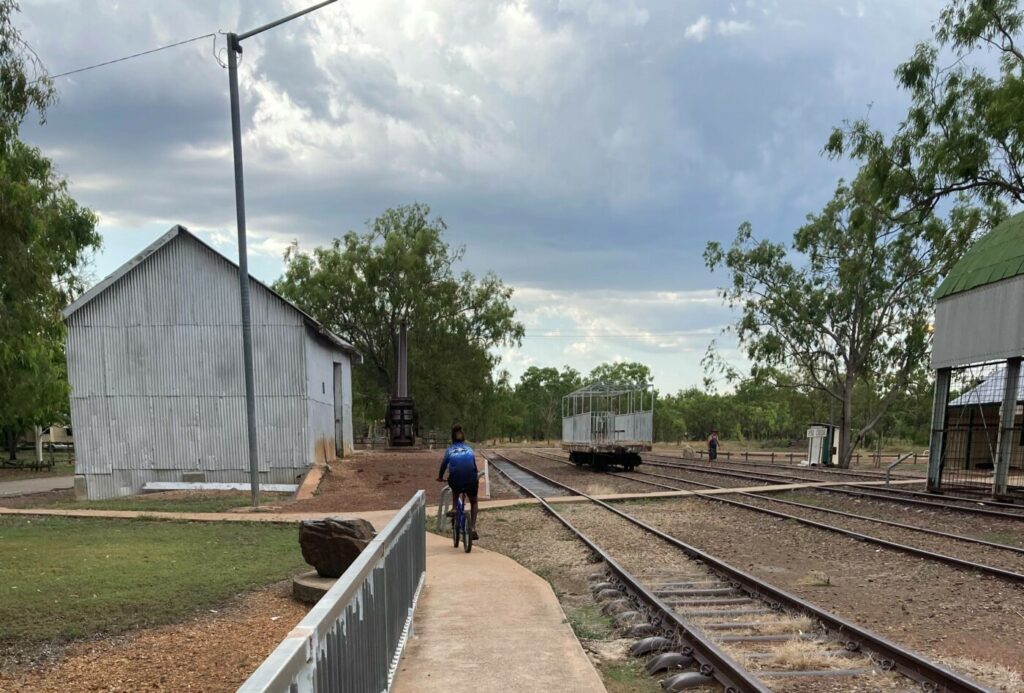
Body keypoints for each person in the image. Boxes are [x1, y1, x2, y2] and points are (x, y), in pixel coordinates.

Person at [437, 424, 480, 540]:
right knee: (474, 501)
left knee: (454, 482)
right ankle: (473, 527)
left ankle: (455, 507)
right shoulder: (469, 449)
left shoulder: (450, 450)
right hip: (471, 478)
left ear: (452, 438)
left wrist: (440, 477)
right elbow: (474, 466)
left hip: (456, 480)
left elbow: (443, 466)